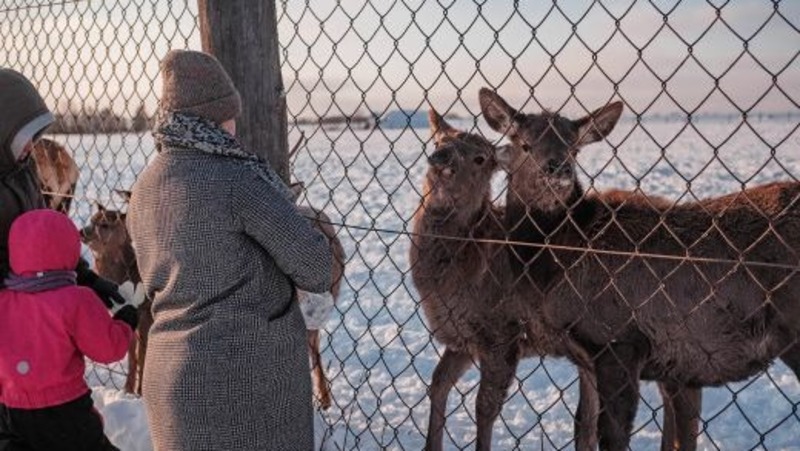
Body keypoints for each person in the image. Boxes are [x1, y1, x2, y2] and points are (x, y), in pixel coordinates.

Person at [127, 49, 332, 450]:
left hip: (170, 384)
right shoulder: (237, 178)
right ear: (218, 116)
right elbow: (315, 265)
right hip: (244, 390)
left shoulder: (144, 188)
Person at [0, 209, 139, 451]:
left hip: (13, 412)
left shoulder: (4, 301)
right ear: (70, 252)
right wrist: (125, 322)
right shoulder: (76, 300)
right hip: (67, 412)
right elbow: (108, 349)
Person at [0, 68, 126, 304]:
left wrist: (85, 278)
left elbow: (44, 239)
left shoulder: (23, 172)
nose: (31, 146)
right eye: (22, 136)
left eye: (34, 135)